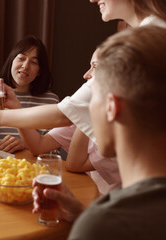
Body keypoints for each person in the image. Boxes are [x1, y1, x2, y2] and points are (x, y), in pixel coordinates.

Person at [0, 0, 166, 143]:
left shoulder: (144, 44)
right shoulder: (150, 35)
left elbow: (64, 114)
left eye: (33, 61)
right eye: (21, 59)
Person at [34, 25, 166, 239]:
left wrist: (91, 223)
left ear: (112, 107)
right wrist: (82, 214)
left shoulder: (104, 225)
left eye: (90, 99)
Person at [18, 48, 120, 195]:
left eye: (95, 67)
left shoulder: (119, 126)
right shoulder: (86, 113)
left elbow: (74, 165)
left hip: (117, 205)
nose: (86, 75)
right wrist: (15, 106)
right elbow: (39, 146)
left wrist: (86, 112)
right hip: (92, 195)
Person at [0, 36, 59, 153]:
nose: (25, 66)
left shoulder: (51, 101)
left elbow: (54, 149)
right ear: (12, 61)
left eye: (33, 62)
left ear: (39, 71)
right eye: (21, 58)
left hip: (34, 168)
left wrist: (26, 144)